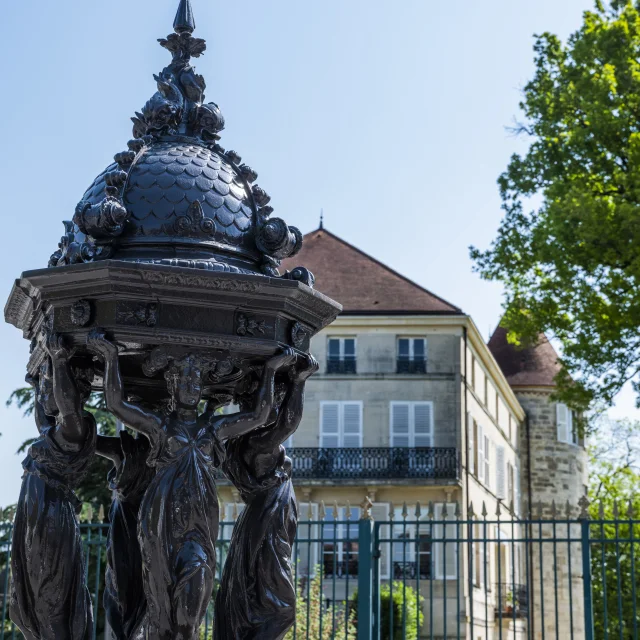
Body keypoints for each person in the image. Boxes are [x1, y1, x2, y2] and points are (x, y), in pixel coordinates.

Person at [87, 329, 296, 640]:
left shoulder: (212, 430)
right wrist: (111, 357)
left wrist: (270, 370)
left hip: (197, 530)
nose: (191, 388)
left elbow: (259, 414)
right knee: (163, 613)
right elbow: (117, 405)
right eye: (185, 382)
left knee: (190, 608)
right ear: (173, 387)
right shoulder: (160, 428)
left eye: (196, 383)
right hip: (160, 528)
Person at [214, 351, 318, 640]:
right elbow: (288, 424)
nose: (278, 405)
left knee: (262, 604)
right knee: (281, 608)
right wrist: (298, 382)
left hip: (265, 526)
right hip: (268, 531)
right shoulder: (257, 444)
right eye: (274, 399)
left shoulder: (241, 444)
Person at [11, 335, 96, 640]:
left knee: (49, 596)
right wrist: (37, 386)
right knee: (32, 596)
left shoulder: (76, 428)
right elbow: (42, 417)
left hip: (49, 517)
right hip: (35, 517)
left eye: (53, 387)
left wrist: (59, 360)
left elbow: (67, 406)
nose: (49, 390)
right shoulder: (53, 431)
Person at [98, 429, 155, 640]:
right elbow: (82, 437)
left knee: (134, 592)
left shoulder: (170, 448)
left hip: (148, 527)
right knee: (120, 591)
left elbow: (82, 437)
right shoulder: (123, 449)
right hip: (129, 526)